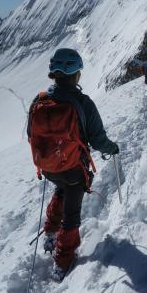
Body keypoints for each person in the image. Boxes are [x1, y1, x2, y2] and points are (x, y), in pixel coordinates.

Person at [27, 48, 119, 280]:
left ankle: (50, 230)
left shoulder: (39, 101)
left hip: (49, 168)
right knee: (72, 212)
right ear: (75, 74)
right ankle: (63, 259)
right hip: (73, 170)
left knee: (61, 190)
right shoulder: (83, 103)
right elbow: (98, 139)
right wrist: (113, 148)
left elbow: (31, 134)